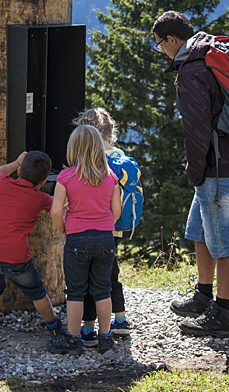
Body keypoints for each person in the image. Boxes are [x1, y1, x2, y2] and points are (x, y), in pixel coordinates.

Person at [151, 11, 229, 337]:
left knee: (224, 242)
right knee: (198, 230)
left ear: (171, 39)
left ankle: (221, 314)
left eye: (160, 45)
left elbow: (196, 131)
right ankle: (203, 295)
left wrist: (195, 173)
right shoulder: (209, 52)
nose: (161, 51)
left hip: (218, 170)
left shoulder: (193, 72)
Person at [0, 150, 72, 352]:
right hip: (17, 258)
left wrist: (15, 161)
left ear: (19, 170)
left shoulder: (2, 182)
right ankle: (55, 328)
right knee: (37, 293)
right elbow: (60, 204)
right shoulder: (39, 198)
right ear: (44, 180)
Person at [51, 125, 122, 354]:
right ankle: (106, 337)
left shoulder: (66, 177)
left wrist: (64, 231)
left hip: (77, 240)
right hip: (104, 239)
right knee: (102, 290)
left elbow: (55, 212)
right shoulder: (110, 177)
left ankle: (73, 338)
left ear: (74, 148)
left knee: (75, 291)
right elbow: (117, 211)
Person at [72, 109, 130, 347]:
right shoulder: (120, 155)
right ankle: (120, 320)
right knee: (110, 273)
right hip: (113, 228)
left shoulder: (87, 157)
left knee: (87, 279)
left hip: (90, 226)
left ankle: (88, 326)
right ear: (110, 131)